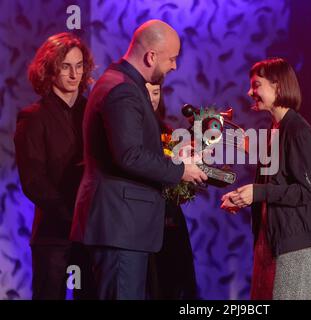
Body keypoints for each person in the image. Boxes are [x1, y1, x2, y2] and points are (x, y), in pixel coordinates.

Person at [70, 20, 207, 300]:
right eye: (172, 59)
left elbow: (133, 148)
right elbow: (129, 155)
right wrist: (180, 170)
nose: (174, 67)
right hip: (120, 226)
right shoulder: (122, 89)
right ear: (151, 56)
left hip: (123, 227)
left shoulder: (120, 83)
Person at [221, 57, 311, 300]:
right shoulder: (276, 130)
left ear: (278, 87)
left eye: (256, 85)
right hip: (271, 240)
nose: (250, 92)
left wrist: (257, 192)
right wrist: (244, 197)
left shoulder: (297, 130)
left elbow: (307, 191)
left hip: (294, 245)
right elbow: (275, 186)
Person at [14, 32, 96, 300]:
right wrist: (69, 214)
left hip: (92, 232)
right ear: (50, 69)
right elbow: (33, 180)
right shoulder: (33, 117)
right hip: (53, 235)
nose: (74, 74)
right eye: (65, 66)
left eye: (79, 65)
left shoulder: (94, 112)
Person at [145, 82, 197, 299]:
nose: (151, 98)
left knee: (173, 287)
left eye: (156, 92)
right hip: (142, 225)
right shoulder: (130, 138)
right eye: (145, 92)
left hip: (171, 225)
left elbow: (185, 189)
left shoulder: (169, 134)